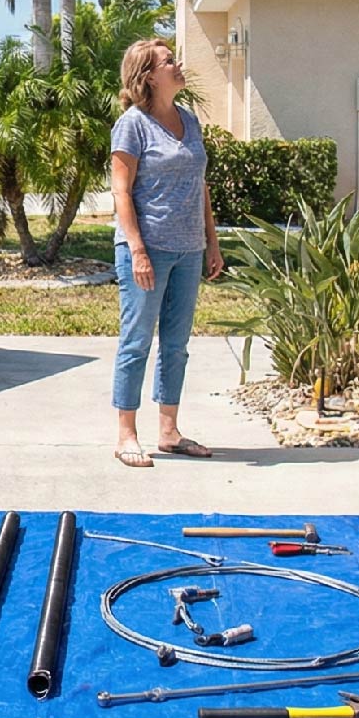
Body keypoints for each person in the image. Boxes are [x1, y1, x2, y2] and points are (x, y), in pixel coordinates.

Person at [108, 39, 225, 468]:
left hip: (188, 249)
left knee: (176, 345)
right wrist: (136, 249)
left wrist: (212, 242)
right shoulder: (132, 125)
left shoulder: (188, 120)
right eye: (169, 60)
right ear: (148, 76)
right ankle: (126, 434)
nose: (178, 64)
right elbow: (121, 190)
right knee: (137, 342)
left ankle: (169, 432)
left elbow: (201, 187)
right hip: (148, 248)